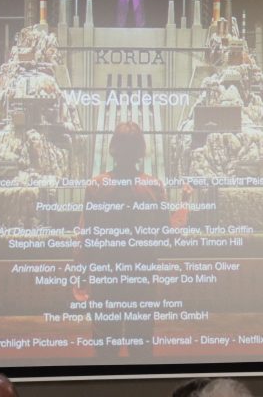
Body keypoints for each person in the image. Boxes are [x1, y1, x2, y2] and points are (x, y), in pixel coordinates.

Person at [74, 122, 186, 360]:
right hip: (141, 279)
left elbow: (86, 236)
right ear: (140, 150)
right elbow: (167, 234)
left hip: (106, 279)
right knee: (141, 345)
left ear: (113, 148)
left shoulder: (96, 186)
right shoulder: (153, 187)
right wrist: (185, 205)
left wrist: (81, 275)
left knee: (105, 348)